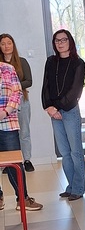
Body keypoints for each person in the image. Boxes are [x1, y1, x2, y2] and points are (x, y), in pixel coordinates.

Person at [41, 29, 85, 202]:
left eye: (64, 40)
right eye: (57, 40)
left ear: (70, 42)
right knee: (64, 153)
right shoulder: (51, 61)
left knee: (76, 152)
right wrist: (49, 107)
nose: (60, 43)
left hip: (70, 110)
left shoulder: (78, 63)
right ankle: (71, 186)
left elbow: (75, 91)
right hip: (54, 112)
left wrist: (57, 107)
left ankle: (79, 188)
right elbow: (46, 86)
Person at [0, 61, 43, 211]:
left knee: (15, 165)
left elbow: (17, 92)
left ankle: (23, 199)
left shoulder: (7, 69)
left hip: (7, 124)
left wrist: (5, 111)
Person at [0, 33, 35, 172]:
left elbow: (29, 81)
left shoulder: (22, 61)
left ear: (13, 45)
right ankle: (8, 163)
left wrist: (13, 86)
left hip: (21, 102)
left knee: (24, 132)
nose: (6, 46)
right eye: (3, 44)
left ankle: (26, 160)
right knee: (6, 134)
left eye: (9, 43)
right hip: (4, 106)